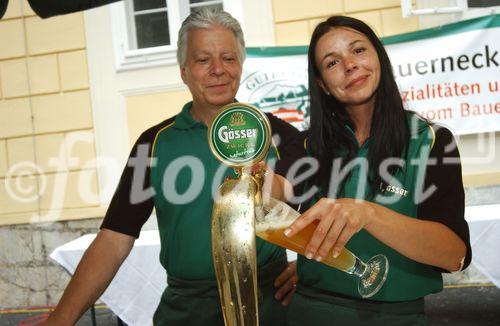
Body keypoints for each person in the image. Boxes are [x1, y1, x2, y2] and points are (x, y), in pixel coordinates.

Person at [45, 9, 299, 325]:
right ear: (183, 71)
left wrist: (305, 269)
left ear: (240, 65)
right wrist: (62, 317)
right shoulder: (154, 144)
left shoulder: (278, 135)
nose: (218, 70)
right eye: (203, 60)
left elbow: (322, 212)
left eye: (228, 58)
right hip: (187, 313)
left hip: (269, 309)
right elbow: (115, 238)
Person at [279, 16, 472, 325]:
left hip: (396, 316)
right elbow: (275, 196)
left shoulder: (431, 141)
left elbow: (454, 256)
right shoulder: (306, 147)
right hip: (311, 312)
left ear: (378, 56)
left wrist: (367, 213)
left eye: (358, 50)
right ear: (321, 85)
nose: (349, 65)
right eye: (332, 63)